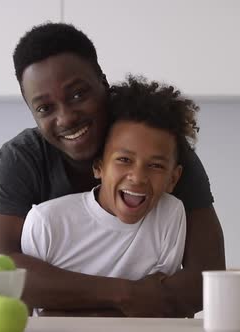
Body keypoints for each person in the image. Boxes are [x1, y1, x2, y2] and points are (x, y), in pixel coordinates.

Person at [0, 22, 225, 317]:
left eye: (77, 95)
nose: (66, 117)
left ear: (103, 83)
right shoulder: (22, 159)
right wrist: (123, 294)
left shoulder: (161, 149)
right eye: (45, 109)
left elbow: (208, 280)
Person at [21, 76, 195, 288]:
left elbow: (158, 304)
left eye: (156, 166)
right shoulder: (46, 222)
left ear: (173, 179)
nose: (138, 177)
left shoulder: (170, 214)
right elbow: (30, 307)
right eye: (124, 160)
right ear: (98, 167)